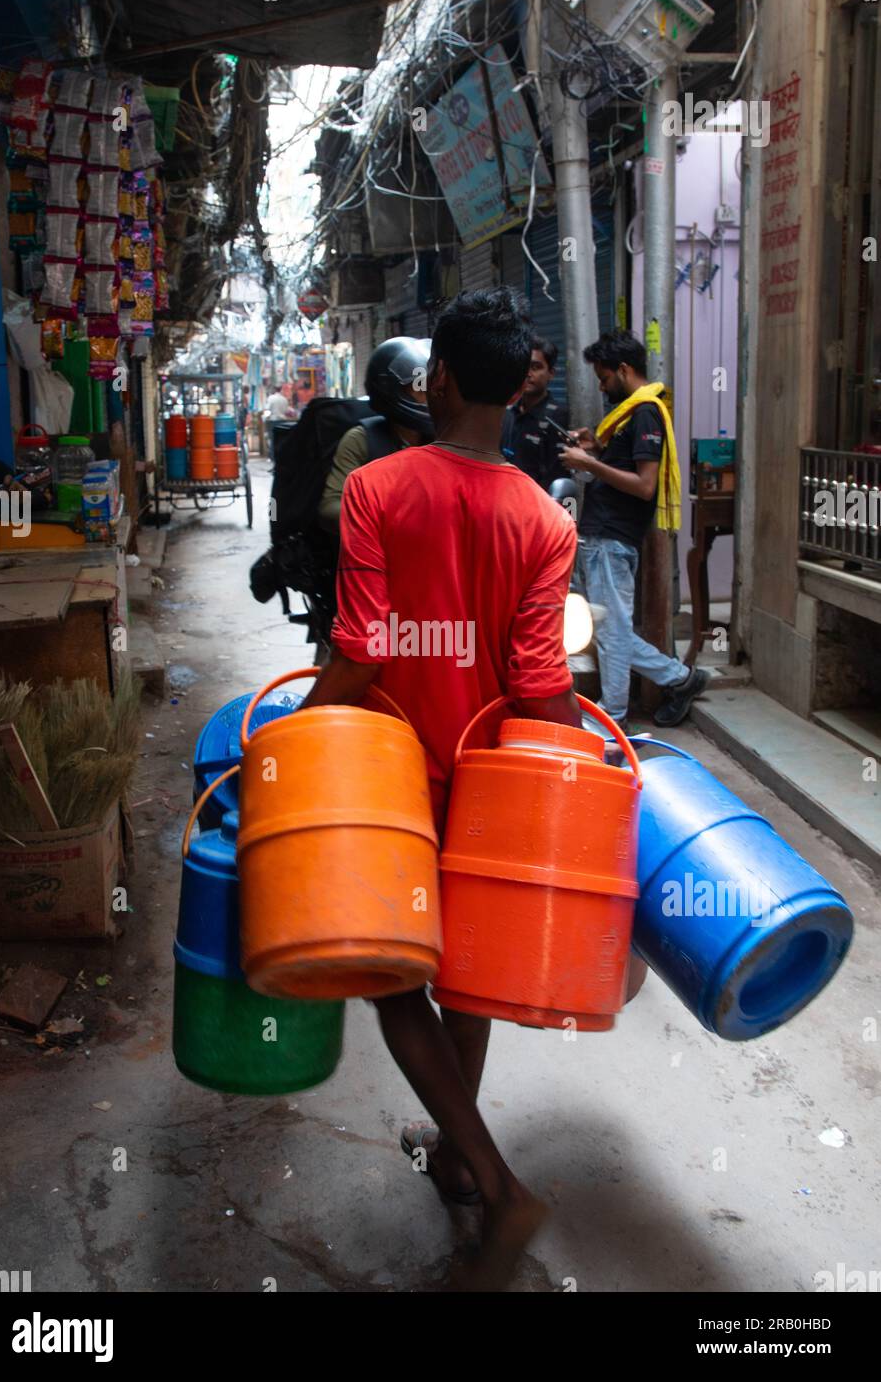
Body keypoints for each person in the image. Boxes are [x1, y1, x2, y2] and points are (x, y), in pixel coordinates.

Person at [300, 288, 591, 1289]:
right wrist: (590, 770)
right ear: (515, 388)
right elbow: (539, 684)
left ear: (441, 382)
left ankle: (497, 1183)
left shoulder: (382, 487)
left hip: (386, 783)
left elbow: (362, 647)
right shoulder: (545, 520)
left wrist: (297, 736)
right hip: (490, 790)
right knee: (461, 981)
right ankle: (460, 1167)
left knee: (390, 984)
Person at [559, 330, 711, 729]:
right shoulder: (630, 416)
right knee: (610, 629)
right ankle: (680, 679)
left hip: (613, 537)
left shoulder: (645, 412)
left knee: (611, 632)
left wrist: (590, 465)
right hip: (603, 536)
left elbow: (644, 485)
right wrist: (596, 448)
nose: (602, 386)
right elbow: (627, 466)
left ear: (624, 370)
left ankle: (614, 717)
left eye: (605, 377)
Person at [316, 336, 433, 535]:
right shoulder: (361, 440)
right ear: (391, 389)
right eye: (420, 388)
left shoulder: (441, 437)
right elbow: (331, 506)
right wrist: (390, 517)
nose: (430, 397)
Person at [500, 336, 569, 490]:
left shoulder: (558, 416)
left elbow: (557, 477)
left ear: (551, 373)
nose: (528, 373)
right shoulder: (508, 412)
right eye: (524, 366)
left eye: (536, 367)